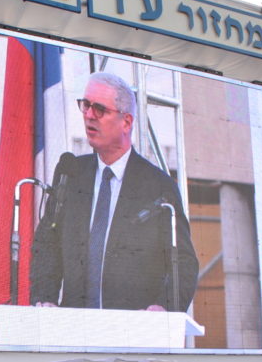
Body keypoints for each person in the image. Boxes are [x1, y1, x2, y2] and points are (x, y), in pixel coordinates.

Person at [30, 71, 199, 312]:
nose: (89, 115)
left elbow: (183, 262)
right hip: (72, 326)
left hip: (132, 327)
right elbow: (47, 245)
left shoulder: (158, 186)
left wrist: (163, 307)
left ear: (126, 122)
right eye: (86, 105)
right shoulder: (71, 174)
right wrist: (44, 299)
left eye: (99, 109)